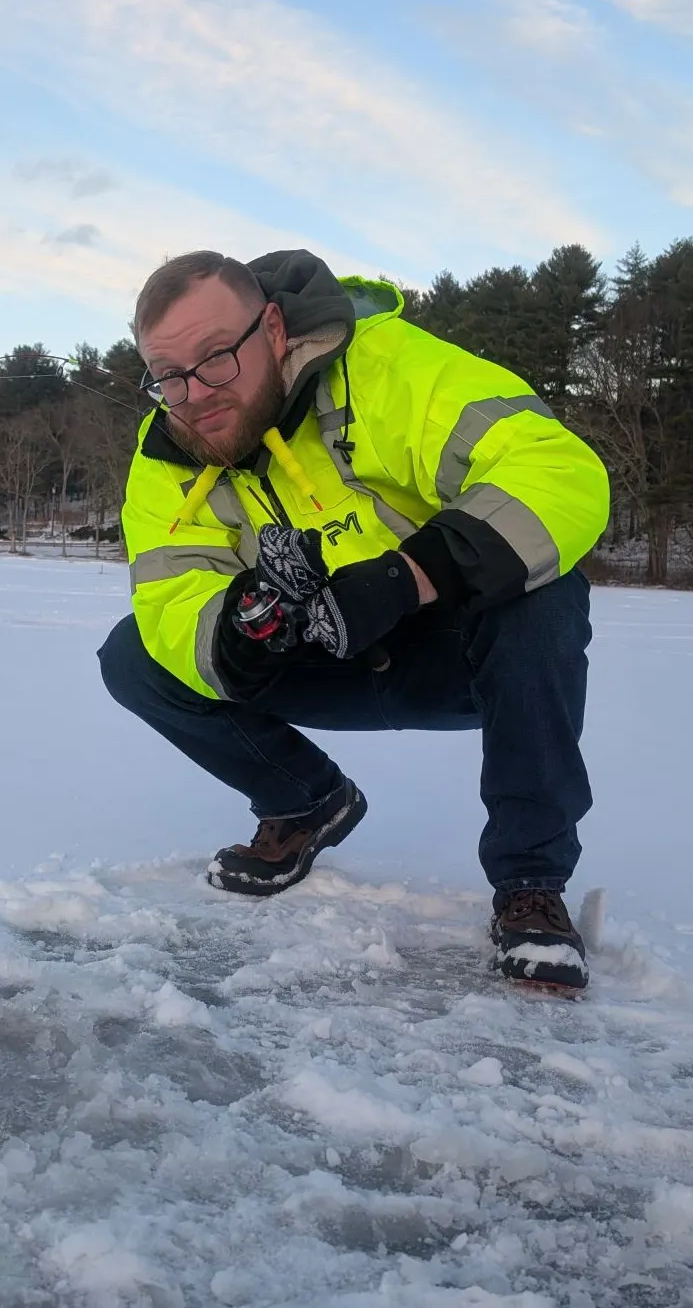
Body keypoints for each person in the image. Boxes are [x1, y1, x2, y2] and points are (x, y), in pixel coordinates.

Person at [98, 250, 609, 990]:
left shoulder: (386, 366)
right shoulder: (169, 454)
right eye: (168, 375)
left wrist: (413, 576)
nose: (194, 395)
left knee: (546, 594)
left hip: (452, 649)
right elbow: (172, 599)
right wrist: (238, 632)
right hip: (317, 657)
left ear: (272, 327)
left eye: (214, 360)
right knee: (134, 655)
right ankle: (305, 803)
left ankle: (531, 886)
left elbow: (555, 469)